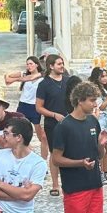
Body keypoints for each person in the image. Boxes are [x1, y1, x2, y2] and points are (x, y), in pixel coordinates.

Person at [51, 82, 107, 213]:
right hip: (75, 187)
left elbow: (99, 154)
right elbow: (56, 159)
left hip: (95, 184)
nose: (95, 104)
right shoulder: (64, 126)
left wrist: (101, 145)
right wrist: (79, 163)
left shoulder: (93, 121)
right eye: (92, 100)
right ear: (80, 101)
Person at [34, 55, 69, 196]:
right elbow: (38, 107)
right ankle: (55, 185)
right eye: (59, 64)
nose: (62, 66)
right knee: (55, 154)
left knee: (70, 152)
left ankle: (68, 183)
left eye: (62, 63)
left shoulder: (68, 81)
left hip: (69, 122)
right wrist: (54, 115)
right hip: (52, 124)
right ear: (51, 66)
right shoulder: (44, 84)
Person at [8, 55, 44, 124]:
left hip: (34, 106)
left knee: (36, 127)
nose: (29, 66)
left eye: (31, 64)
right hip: (23, 104)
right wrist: (8, 77)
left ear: (37, 65)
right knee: (18, 125)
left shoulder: (42, 78)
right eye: (27, 64)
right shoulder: (24, 74)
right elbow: (9, 77)